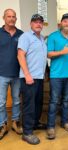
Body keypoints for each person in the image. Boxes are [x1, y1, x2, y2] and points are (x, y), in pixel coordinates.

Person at [47, 13, 68, 140]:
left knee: (66, 101)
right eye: (65, 21)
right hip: (56, 75)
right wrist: (62, 52)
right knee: (54, 101)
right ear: (61, 23)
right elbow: (49, 54)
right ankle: (50, 126)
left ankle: (65, 122)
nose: (67, 23)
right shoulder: (53, 36)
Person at [17, 14, 47, 145]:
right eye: (35, 22)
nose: (38, 24)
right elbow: (20, 55)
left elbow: (41, 58)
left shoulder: (41, 39)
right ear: (31, 24)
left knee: (38, 102)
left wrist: (44, 73)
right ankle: (27, 132)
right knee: (29, 105)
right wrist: (27, 74)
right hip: (29, 77)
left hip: (39, 77)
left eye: (40, 22)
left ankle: (35, 123)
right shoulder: (25, 37)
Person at [0, 9, 23, 140]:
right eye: (9, 16)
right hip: (1, 74)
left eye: (13, 16)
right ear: (4, 18)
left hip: (17, 74)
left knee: (17, 100)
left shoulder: (21, 34)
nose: (11, 18)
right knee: (1, 102)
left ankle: (15, 122)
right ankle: (2, 124)